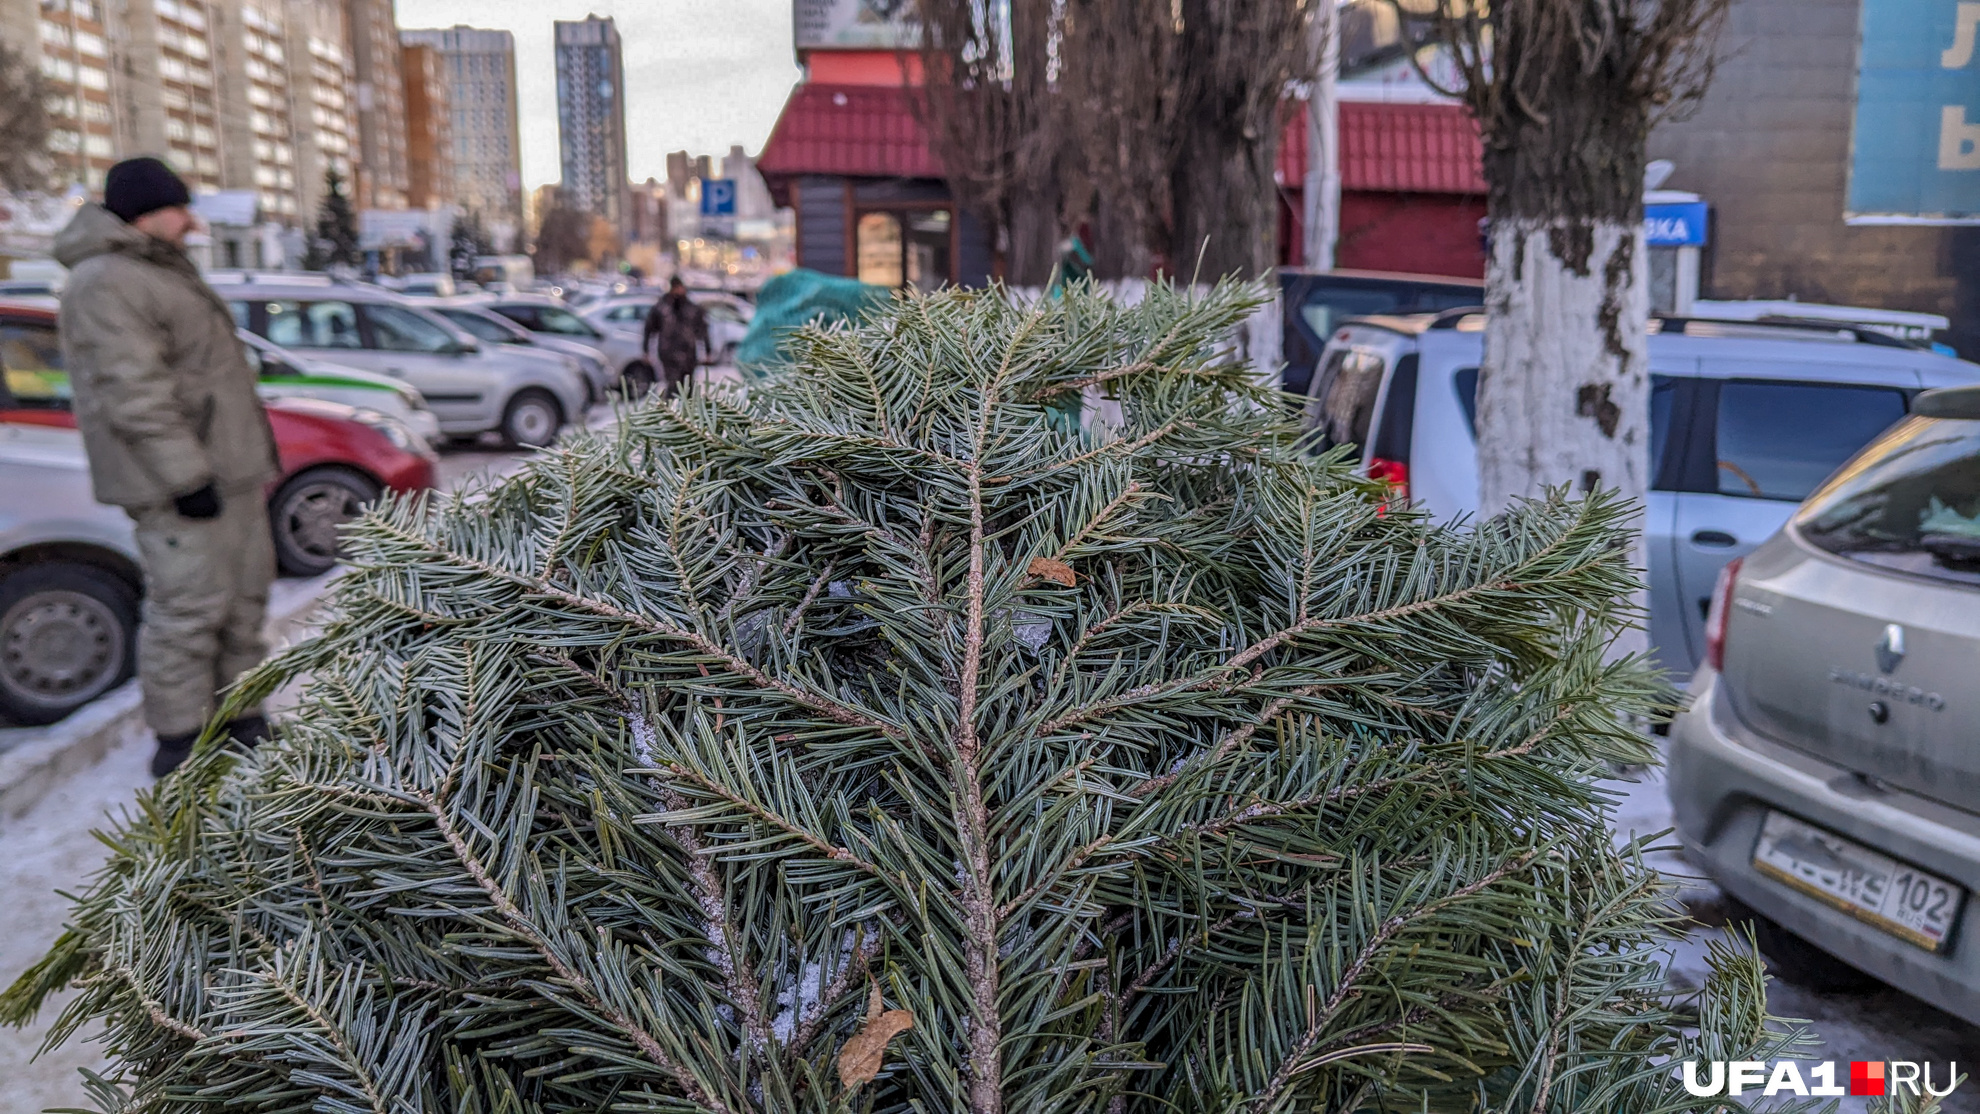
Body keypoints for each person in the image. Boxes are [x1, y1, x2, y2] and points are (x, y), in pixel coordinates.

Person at [54, 157, 280, 777]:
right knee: (189, 608)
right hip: (179, 484)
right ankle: (180, 739)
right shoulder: (106, 280)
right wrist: (184, 475)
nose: (191, 219)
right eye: (181, 207)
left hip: (226, 472)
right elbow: (134, 393)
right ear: (150, 211)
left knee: (243, 601)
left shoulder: (158, 270)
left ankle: (242, 714)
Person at [640, 277, 709, 398]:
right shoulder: (662, 307)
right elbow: (649, 328)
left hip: (688, 353)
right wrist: (646, 350)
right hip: (669, 353)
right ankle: (672, 412)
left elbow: (702, 330)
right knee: (673, 385)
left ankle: (687, 412)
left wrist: (708, 350)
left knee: (687, 386)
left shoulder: (691, 308)